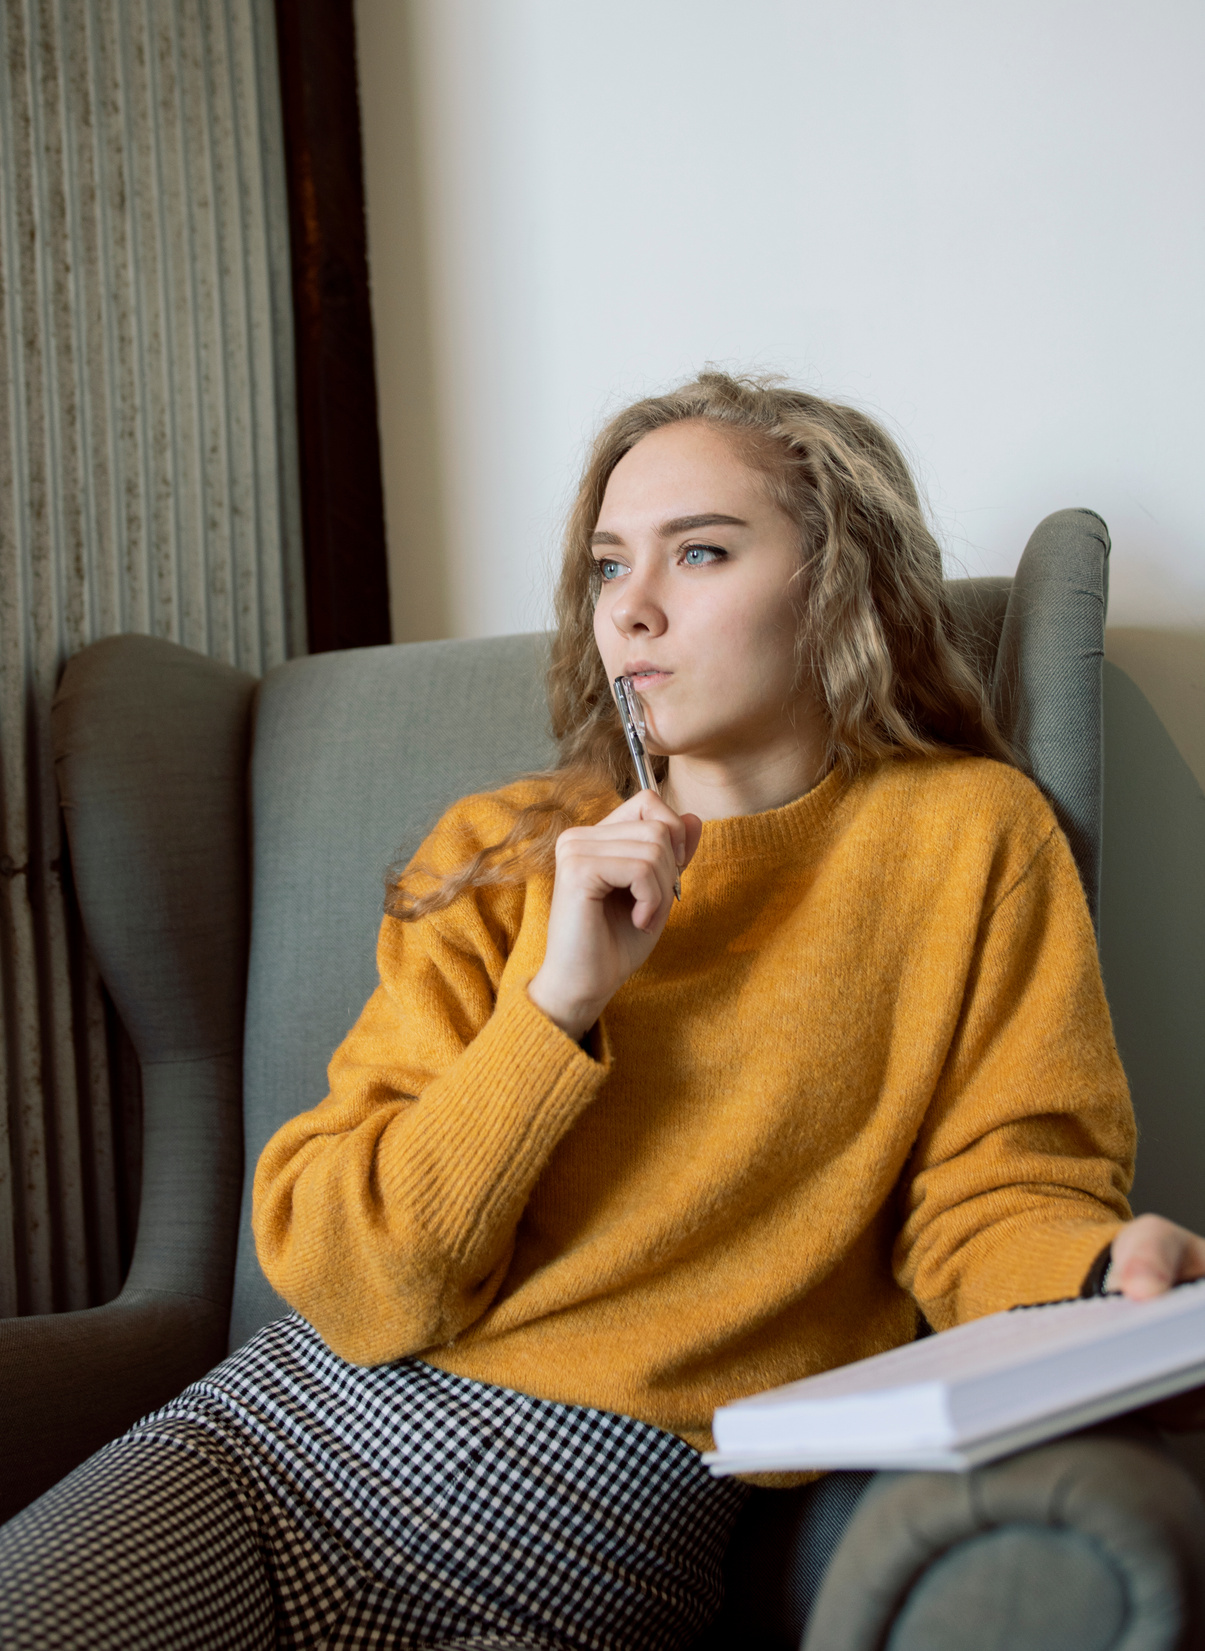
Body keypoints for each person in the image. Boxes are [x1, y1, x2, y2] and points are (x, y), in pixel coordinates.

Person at [2, 370, 1203, 1649]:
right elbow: (353, 1281)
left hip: (592, 1529)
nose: (630, 609)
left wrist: (1089, 1276)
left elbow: (995, 1187)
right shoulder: (501, 848)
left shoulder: (967, 838)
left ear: (837, 577)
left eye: (699, 552)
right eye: (605, 565)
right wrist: (555, 1005)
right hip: (276, 1444)